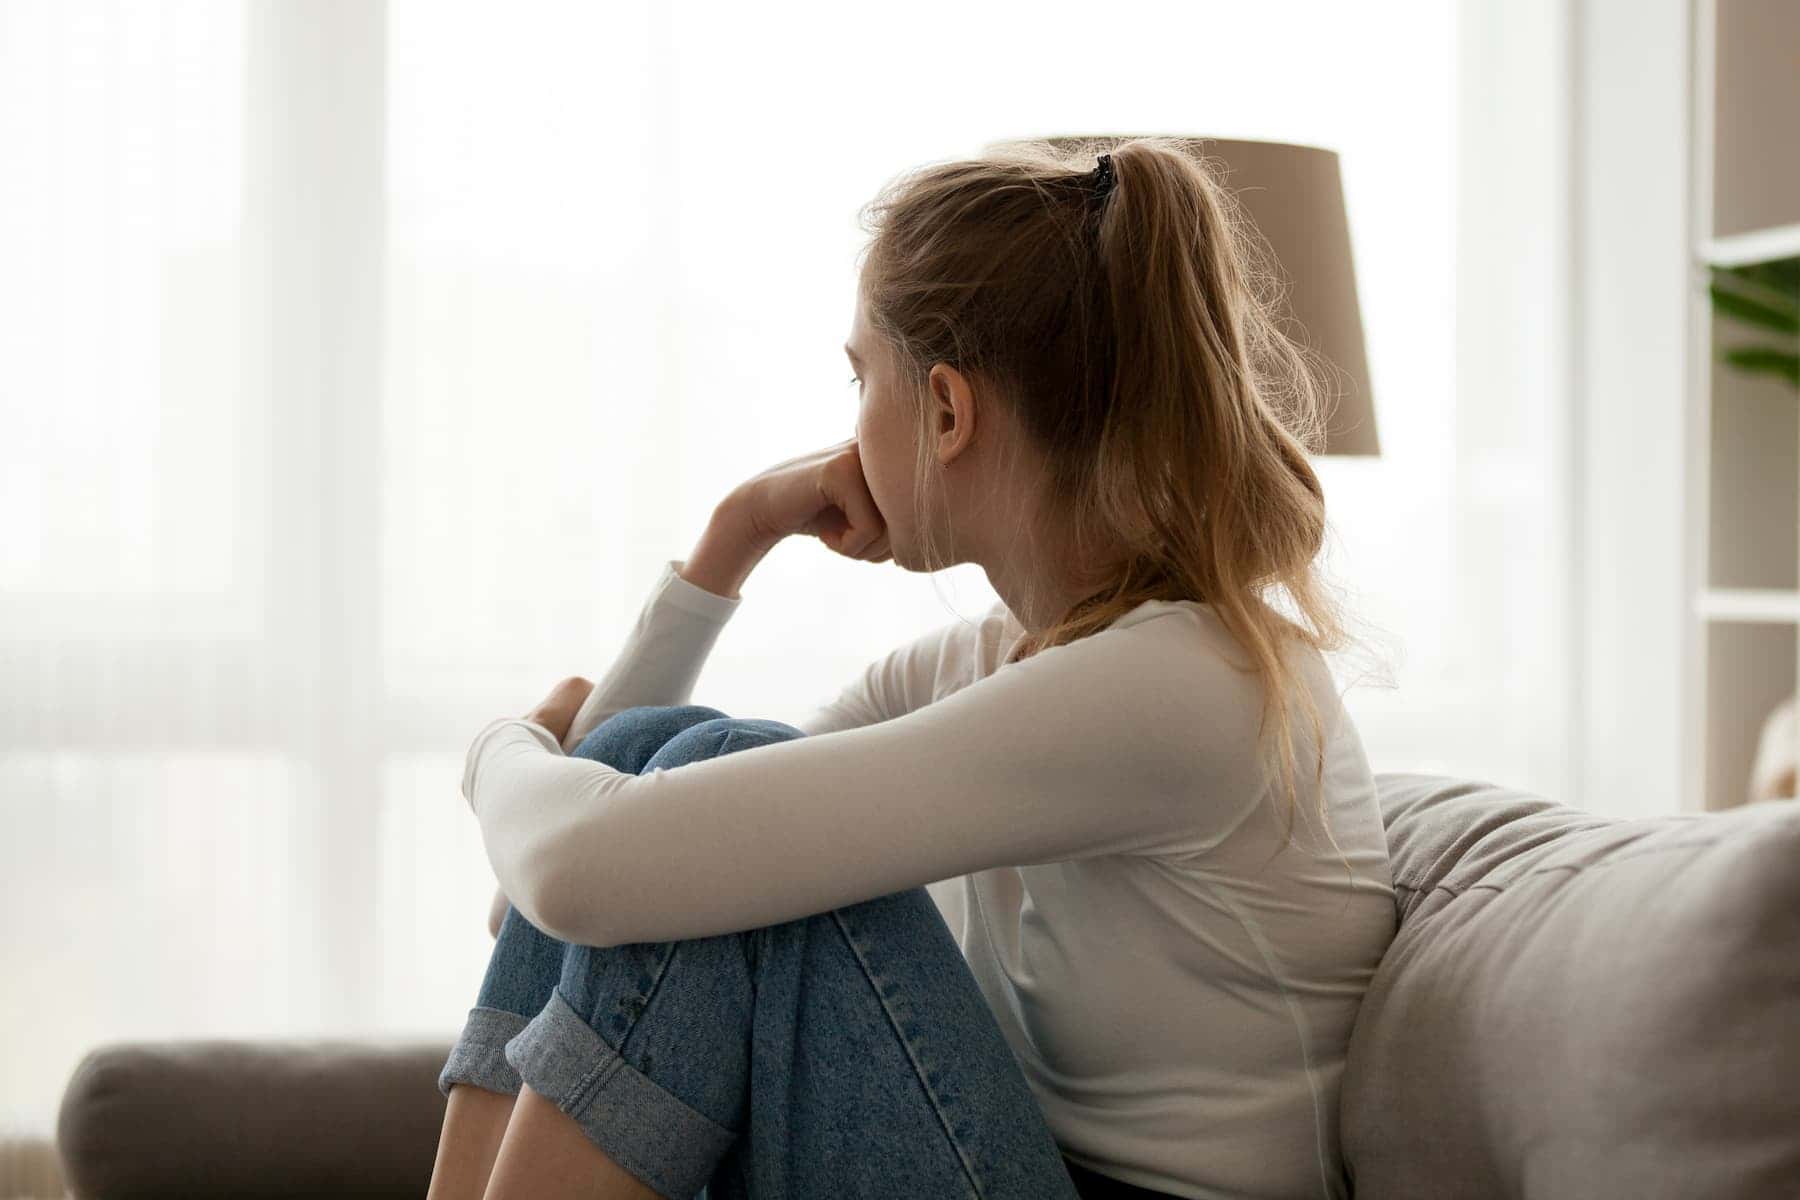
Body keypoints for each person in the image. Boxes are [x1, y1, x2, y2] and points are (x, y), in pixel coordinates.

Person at [427, 137, 1398, 1200]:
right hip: (1020, 1165)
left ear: (946, 412)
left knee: (716, 813)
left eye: (860, 380)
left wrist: (497, 753)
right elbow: (586, 865)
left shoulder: (1181, 687)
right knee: (686, 776)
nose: (846, 428)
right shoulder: (1001, 660)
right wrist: (732, 541)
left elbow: (579, 868)